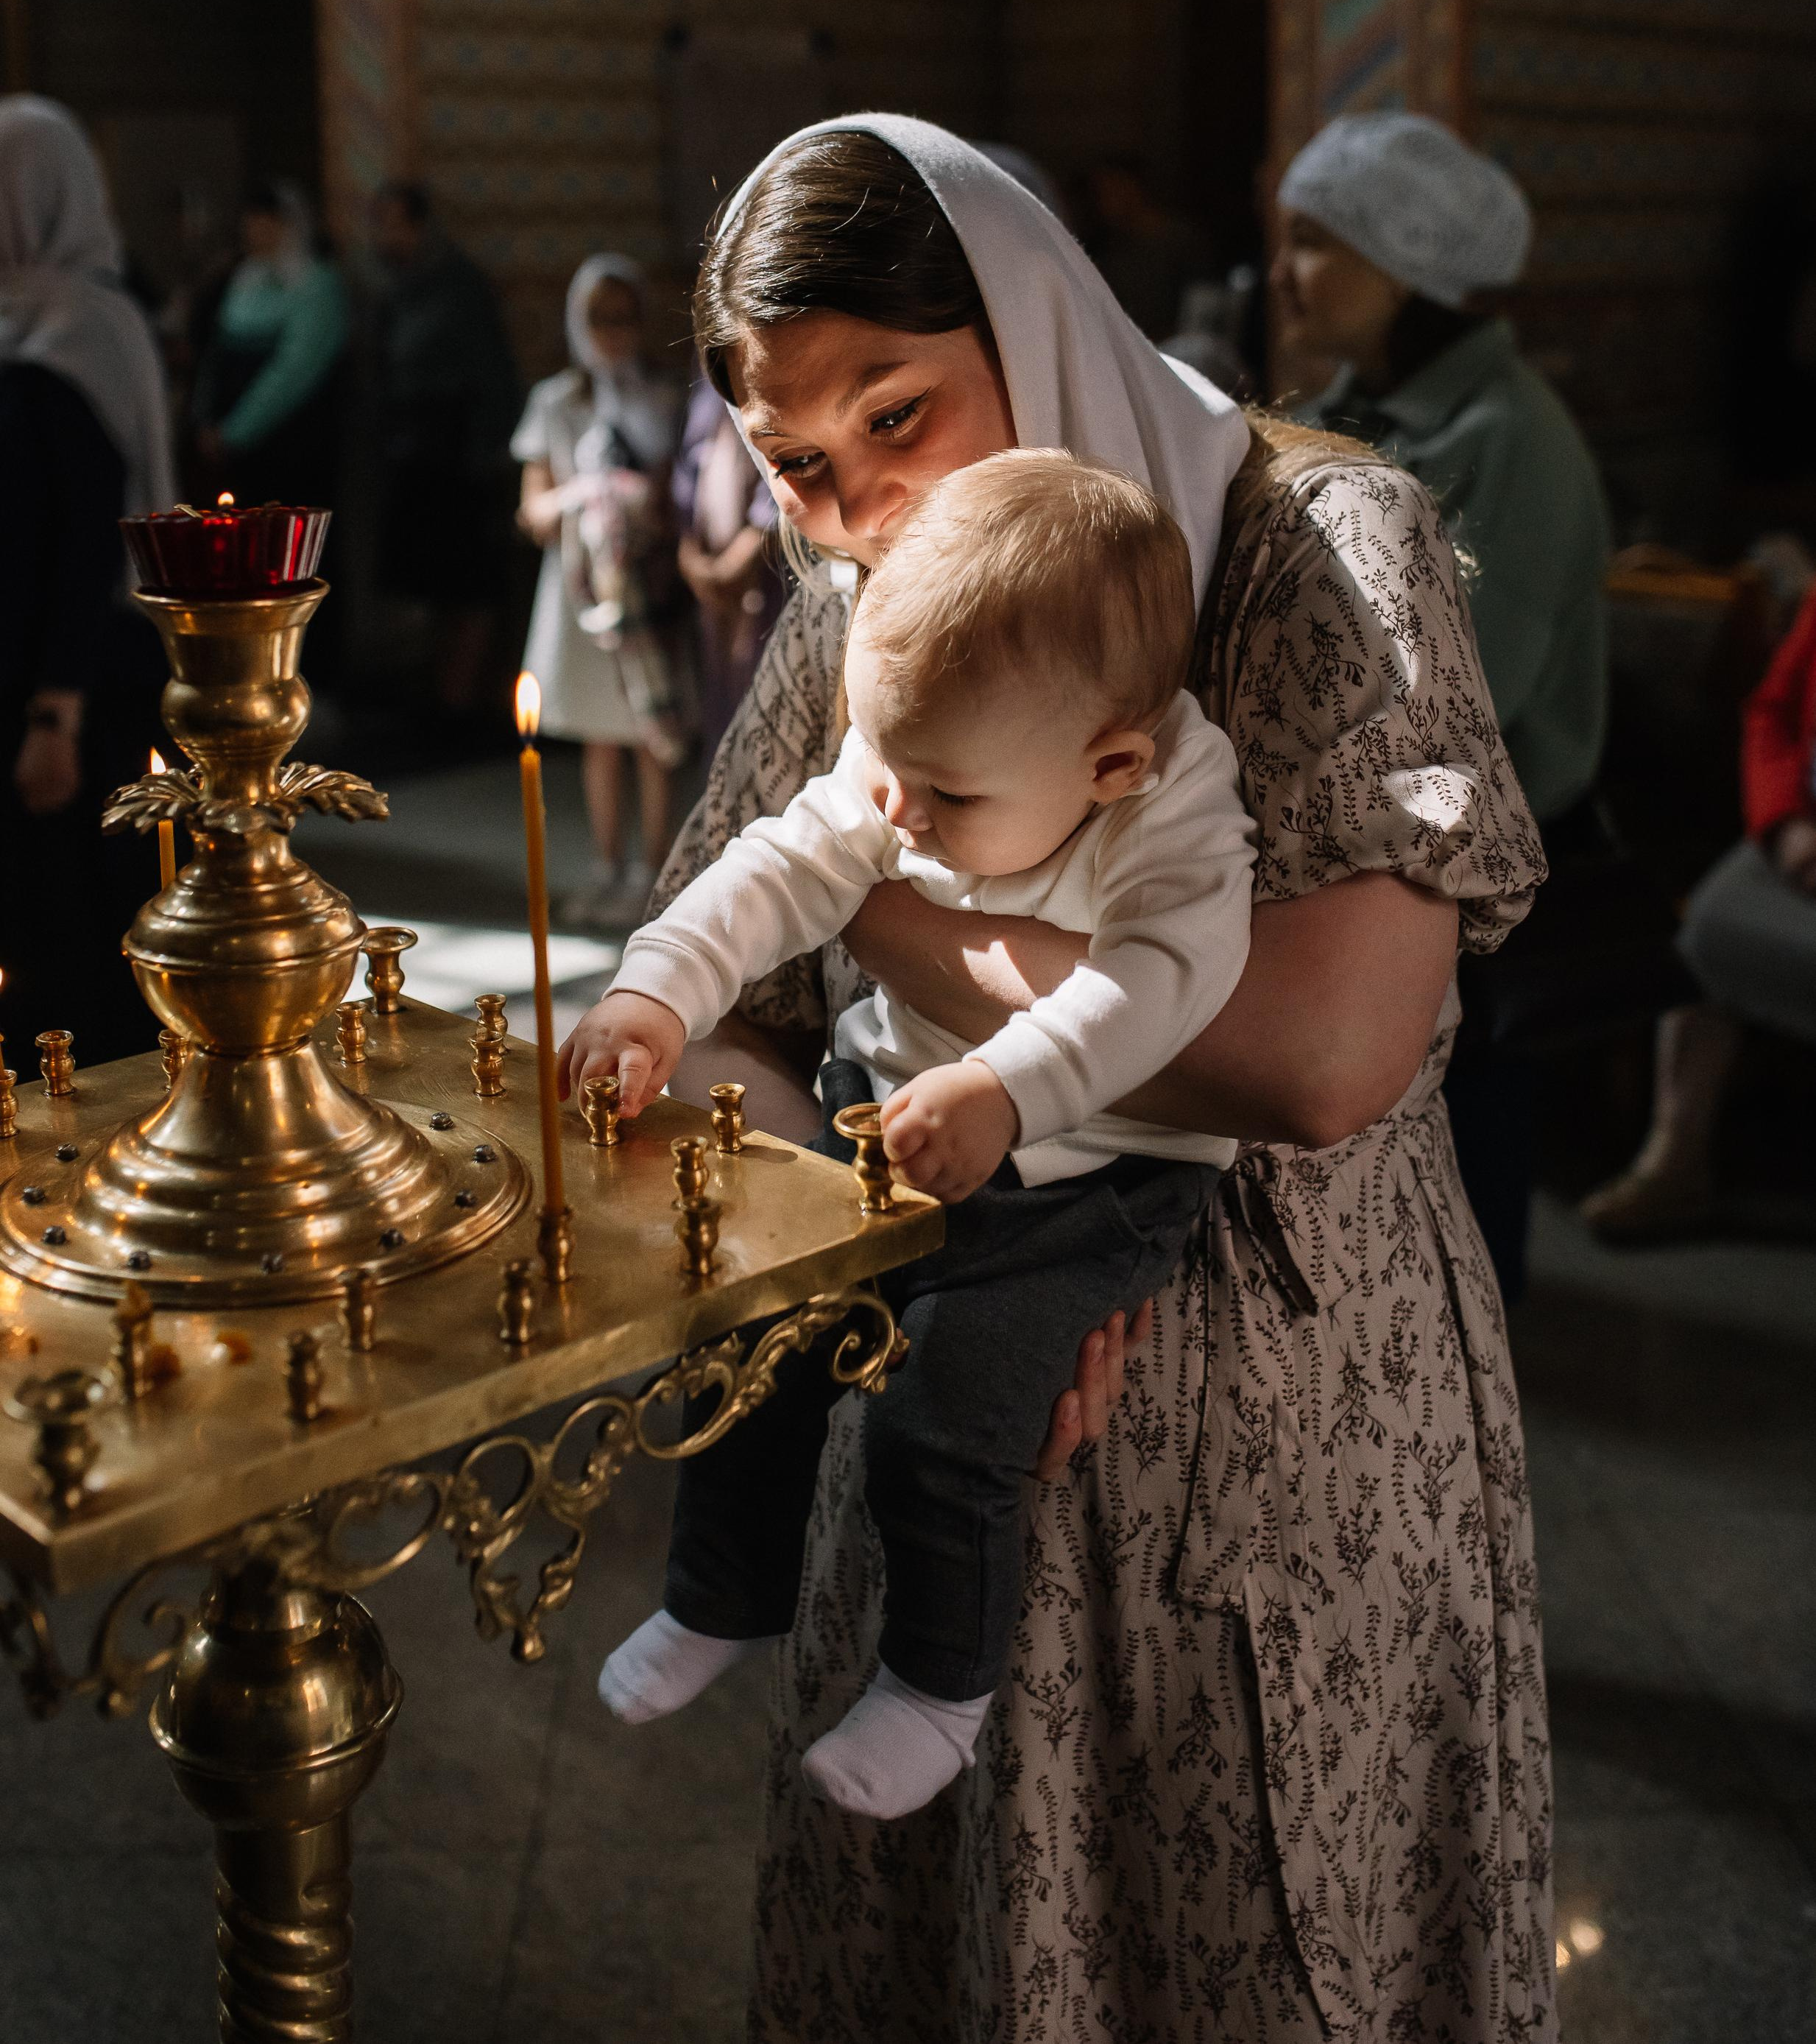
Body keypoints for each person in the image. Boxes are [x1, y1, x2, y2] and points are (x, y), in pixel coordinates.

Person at [643, 116, 1554, 2040]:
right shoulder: (854, 605)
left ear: (1026, 310)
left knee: (1247, 1932)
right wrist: (852, 1192)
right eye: (800, 466)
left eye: (899, 413)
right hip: (934, 1336)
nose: (866, 505)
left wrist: (874, 915)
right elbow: (727, 999)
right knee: (955, 1943)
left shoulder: (1306, 539)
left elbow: (1321, 1050)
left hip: (1274, 1412)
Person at [573, 451, 1254, 1819]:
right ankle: (721, 1596)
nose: (897, 812)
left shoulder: (1173, 800)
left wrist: (1008, 1086)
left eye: (943, 799)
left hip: (1083, 1183)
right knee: (752, 1334)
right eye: (879, 756)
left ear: (1107, 761)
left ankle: (939, 1688)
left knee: (939, 1422)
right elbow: (779, 863)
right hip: (886, 1132)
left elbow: (1163, 982)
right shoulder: (916, 754)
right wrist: (656, 992)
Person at [1275, 111, 1611, 1298]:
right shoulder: (1372, 409)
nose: (1284, 274)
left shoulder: (1505, 437)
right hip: (1393, 839)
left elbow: (1467, 707)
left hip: (1479, 868)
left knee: (1463, 1198)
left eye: (1314, 242)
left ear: (1402, 265)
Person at [0, 95, 173, 1071]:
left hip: (74, 687)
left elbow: (87, 542)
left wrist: (55, 714)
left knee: (75, 917)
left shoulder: (83, 325)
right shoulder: (21, 318)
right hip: (22, 677)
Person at [1584, 579, 1816, 1234]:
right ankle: (1673, 1166)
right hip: (1800, 832)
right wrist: (1787, 827)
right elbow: (1771, 713)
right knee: (1711, 931)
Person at [513, 254, 685, 926]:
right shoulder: (554, 402)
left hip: (646, 583)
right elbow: (532, 512)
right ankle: (607, 865)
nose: (612, 332)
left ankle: (654, 870)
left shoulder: (665, 397)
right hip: (581, 592)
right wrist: (587, 496)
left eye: (624, 318)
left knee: (652, 729)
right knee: (601, 736)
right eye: (598, 319)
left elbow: (675, 498)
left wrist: (640, 506)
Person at [367, 180, 520, 716]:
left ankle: (459, 705)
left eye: (391, 222)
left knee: (469, 586)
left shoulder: (459, 286)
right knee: (421, 586)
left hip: (460, 457)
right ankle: (430, 702)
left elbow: (491, 376)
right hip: (413, 456)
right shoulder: (397, 286)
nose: (381, 235)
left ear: (417, 224)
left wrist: (485, 457)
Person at [189, 179, 348, 505]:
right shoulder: (246, 278)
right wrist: (205, 420)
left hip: (293, 443)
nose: (254, 232)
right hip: (238, 446)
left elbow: (295, 369)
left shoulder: (316, 284)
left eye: (266, 224)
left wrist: (236, 431)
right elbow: (218, 353)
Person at [671, 364, 780, 762]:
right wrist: (689, 550)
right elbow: (688, 466)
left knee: (764, 688)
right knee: (720, 696)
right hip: (711, 569)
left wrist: (743, 554)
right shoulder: (701, 389)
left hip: (766, 567)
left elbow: (781, 463)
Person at [1075, 152, 1200, 339]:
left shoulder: (1180, 242)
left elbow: (1200, 308)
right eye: (1098, 193)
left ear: (1133, 188)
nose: (1103, 201)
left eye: (1111, 191)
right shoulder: (1105, 248)